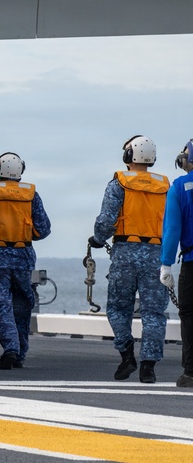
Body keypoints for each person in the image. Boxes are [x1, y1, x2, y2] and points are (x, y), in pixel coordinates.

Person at [90, 135, 170, 383]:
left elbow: (106, 221)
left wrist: (97, 238)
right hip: (156, 254)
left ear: (128, 156)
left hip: (125, 253)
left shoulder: (119, 184)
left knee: (118, 307)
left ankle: (127, 356)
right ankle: (148, 366)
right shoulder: (166, 186)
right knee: (154, 313)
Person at [0, 152, 52, 370]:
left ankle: (11, 349)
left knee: (0, 303)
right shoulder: (32, 195)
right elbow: (43, 230)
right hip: (24, 256)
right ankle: (20, 353)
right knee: (23, 305)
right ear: (20, 171)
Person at [160, 139, 193, 388]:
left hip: (192, 262)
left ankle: (191, 372)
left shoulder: (180, 187)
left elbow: (172, 229)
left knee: (189, 315)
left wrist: (166, 264)